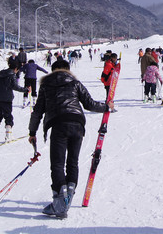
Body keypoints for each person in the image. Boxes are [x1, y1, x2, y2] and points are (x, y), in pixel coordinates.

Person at [28, 59, 113, 219]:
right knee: (72, 162)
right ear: (68, 70)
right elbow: (89, 104)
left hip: (59, 124)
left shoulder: (46, 85)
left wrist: (32, 132)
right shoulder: (75, 82)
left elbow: (37, 111)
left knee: (57, 164)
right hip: (77, 124)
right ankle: (67, 198)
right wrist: (107, 107)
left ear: (53, 70)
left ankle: (60, 204)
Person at [0, 63, 29, 143]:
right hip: (7, 99)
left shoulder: (1, 73)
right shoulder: (12, 75)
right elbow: (15, 86)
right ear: (15, 69)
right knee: (8, 116)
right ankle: (8, 135)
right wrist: (25, 90)